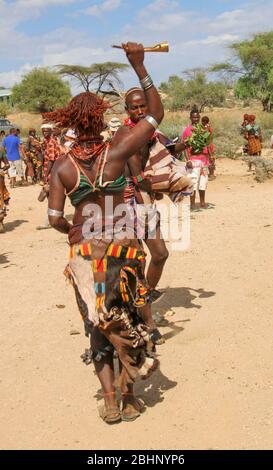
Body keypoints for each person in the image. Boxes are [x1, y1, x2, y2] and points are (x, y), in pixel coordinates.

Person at [44, 42, 164, 423]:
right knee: (126, 314)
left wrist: (73, 230)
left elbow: (53, 217)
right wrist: (138, 65)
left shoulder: (62, 166)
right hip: (124, 248)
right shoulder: (116, 151)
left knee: (98, 321)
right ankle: (130, 398)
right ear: (99, 119)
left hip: (87, 254)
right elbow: (156, 115)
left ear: (71, 123)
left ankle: (110, 401)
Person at [121, 87, 191, 344]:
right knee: (138, 261)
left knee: (159, 254)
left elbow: (162, 156)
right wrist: (157, 183)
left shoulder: (152, 134)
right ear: (127, 111)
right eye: (134, 107)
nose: (139, 111)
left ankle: (143, 300)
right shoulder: (127, 134)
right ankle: (146, 320)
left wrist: (180, 149)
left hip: (144, 199)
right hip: (128, 202)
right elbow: (137, 174)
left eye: (142, 106)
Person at [182, 106, 210, 211]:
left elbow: (208, 145)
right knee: (193, 183)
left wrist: (211, 159)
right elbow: (183, 147)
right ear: (190, 118)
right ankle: (192, 205)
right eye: (194, 117)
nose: (196, 119)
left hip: (204, 160)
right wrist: (187, 160)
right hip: (193, 160)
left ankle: (202, 203)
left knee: (203, 183)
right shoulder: (187, 131)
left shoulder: (203, 129)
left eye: (198, 117)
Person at [0, 138, 10, 233]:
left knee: (0, 200)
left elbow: (7, 164)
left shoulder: (1, 149)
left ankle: (0, 223)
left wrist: (3, 169)